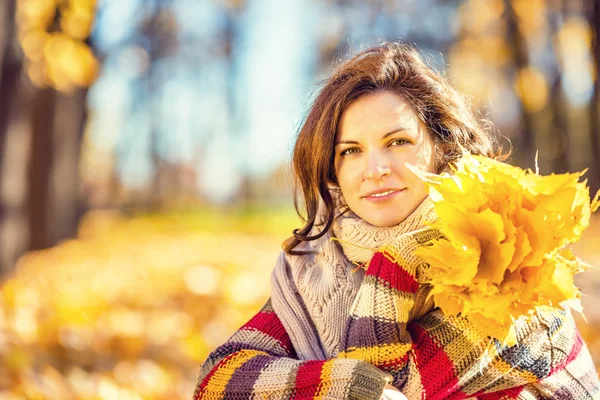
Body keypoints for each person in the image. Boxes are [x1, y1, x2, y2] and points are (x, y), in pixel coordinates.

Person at [193, 42, 600, 399]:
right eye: (350, 151)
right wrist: (348, 385)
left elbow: (402, 383)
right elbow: (218, 380)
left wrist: (401, 259)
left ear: (442, 146)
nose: (375, 169)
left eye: (398, 142)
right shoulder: (320, 267)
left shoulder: (509, 255)